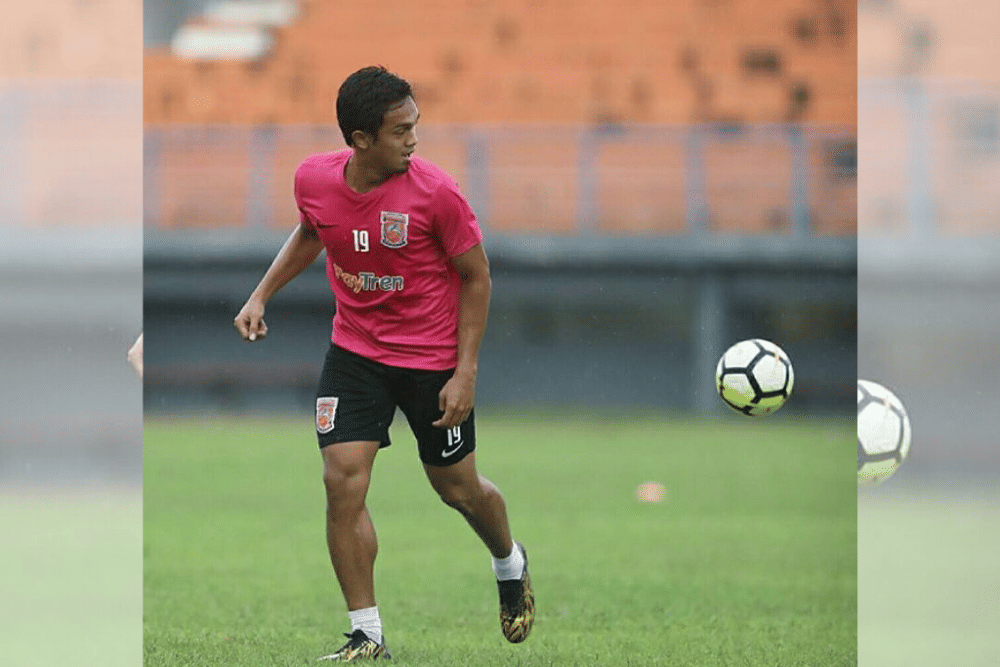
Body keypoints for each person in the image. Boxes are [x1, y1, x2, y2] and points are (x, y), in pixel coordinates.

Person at [234, 66, 533, 661]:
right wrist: (261, 294)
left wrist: (466, 372)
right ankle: (367, 634)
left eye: (415, 126)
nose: (414, 140)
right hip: (355, 353)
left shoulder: (437, 193)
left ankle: (509, 561)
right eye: (401, 131)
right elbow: (312, 232)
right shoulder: (313, 179)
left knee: (457, 488)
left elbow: (476, 277)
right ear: (361, 138)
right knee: (341, 480)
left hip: (431, 361)